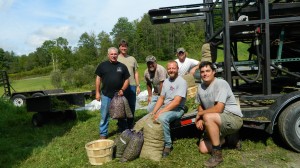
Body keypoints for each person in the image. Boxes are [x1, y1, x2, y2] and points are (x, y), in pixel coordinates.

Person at [195, 61, 243, 167]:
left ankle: (217, 155)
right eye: (202, 71)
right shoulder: (200, 87)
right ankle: (228, 139)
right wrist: (199, 117)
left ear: (214, 72)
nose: (205, 74)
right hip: (215, 119)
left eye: (208, 71)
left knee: (207, 117)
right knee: (202, 148)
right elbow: (200, 104)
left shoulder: (221, 83)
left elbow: (219, 108)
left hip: (233, 118)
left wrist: (200, 114)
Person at [150, 60, 188, 158]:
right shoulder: (166, 81)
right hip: (167, 106)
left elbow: (176, 102)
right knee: (150, 112)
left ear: (177, 69)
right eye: (169, 68)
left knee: (162, 118)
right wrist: (154, 112)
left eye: (173, 68)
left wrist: (160, 112)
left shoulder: (182, 82)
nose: (171, 70)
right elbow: (161, 98)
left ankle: (168, 145)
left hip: (177, 108)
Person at [95, 47, 130, 139]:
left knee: (121, 114)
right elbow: (98, 79)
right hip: (106, 94)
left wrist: (122, 89)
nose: (114, 56)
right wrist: (97, 92)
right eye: (112, 54)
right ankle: (103, 133)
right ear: (108, 55)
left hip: (119, 95)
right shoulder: (102, 66)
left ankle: (123, 130)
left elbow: (127, 80)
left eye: (115, 54)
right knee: (104, 115)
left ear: (117, 55)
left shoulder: (122, 66)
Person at [118, 39, 140, 129]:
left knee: (131, 105)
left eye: (125, 46)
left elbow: (136, 73)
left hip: (132, 85)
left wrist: (138, 85)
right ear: (119, 47)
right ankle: (122, 125)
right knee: (121, 106)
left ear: (127, 47)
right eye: (122, 46)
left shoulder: (132, 59)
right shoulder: (116, 58)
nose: (124, 48)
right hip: (121, 86)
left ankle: (130, 124)